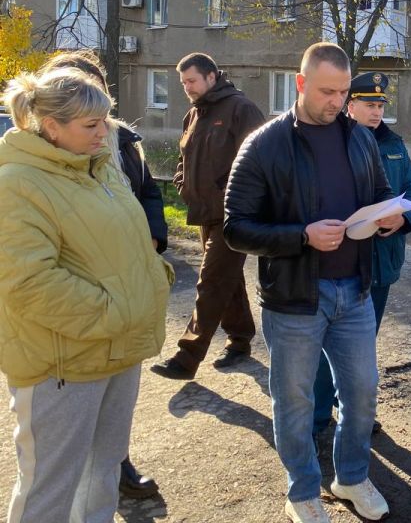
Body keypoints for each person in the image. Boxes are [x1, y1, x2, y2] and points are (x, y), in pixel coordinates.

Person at [223, 43, 404, 523]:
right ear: (300, 83)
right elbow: (235, 226)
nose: (337, 102)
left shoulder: (360, 137)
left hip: (355, 292)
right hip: (295, 300)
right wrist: (301, 236)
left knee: (363, 393)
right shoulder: (264, 144)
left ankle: (350, 478)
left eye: (344, 92)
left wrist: (390, 219)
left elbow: (383, 194)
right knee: (295, 401)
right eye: (327, 91)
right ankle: (302, 489)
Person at [0, 69, 173, 523]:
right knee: (49, 489)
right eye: (91, 126)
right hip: (62, 362)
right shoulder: (17, 182)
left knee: (101, 474)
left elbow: (129, 245)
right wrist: (117, 311)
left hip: (117, 349)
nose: (104, 133)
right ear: (50, 127)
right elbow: (28, 283)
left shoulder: (98, 167)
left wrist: (156, 277)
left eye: (106, 122)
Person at [40, 50, 168, 499]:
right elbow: (32, 276)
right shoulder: (32, 170)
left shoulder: (124, 141)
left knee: (113, 412)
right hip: (78, 322)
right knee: (53, 464)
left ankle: (118, 464)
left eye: (101, 105)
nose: (98, 122)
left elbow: (149, 191)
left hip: (125, 287)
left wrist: (152, 242)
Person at [312, 72, 411, 441]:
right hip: (341, 259)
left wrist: (403, 217)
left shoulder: (394, 144)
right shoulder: (332, 142)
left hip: (382, 259)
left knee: (363, 344)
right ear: (350, 105)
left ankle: (353, 410)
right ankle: (316, 416)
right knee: (329, 340)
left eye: (380, 106)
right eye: (369, 105)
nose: (376, 112)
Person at [151, 53, 265, 380]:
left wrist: (231, 194)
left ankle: (187, 357)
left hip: (234, 214)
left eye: (192, 80)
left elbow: (260, 159)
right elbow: (183, 156)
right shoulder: (194, 114)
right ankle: (240, 339)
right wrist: (182, 183)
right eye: (183, 82)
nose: (187, 87)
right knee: (225, 278)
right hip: (203, 212)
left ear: (212, 76)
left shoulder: (240, 109)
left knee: (212, 279)